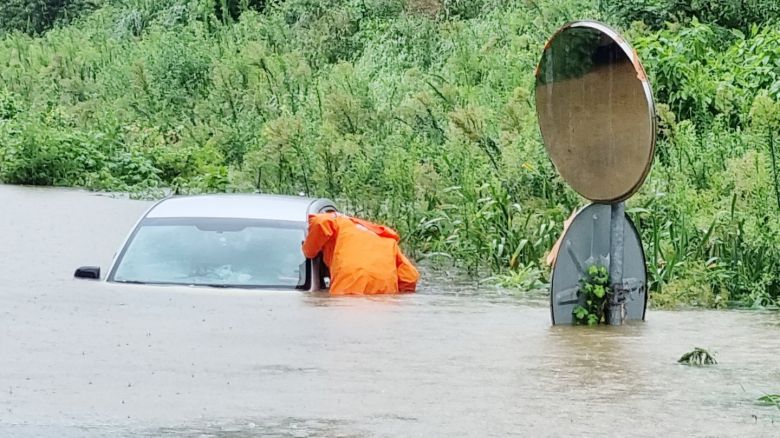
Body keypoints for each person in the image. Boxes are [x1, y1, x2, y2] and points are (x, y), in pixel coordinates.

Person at [302, 212, 419, 295]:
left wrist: (309, 251)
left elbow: (320, 222)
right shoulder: (387, 240)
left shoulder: (338, 221)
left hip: (350, 282)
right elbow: (410, 277)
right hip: (385, 296)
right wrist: (400, 297)